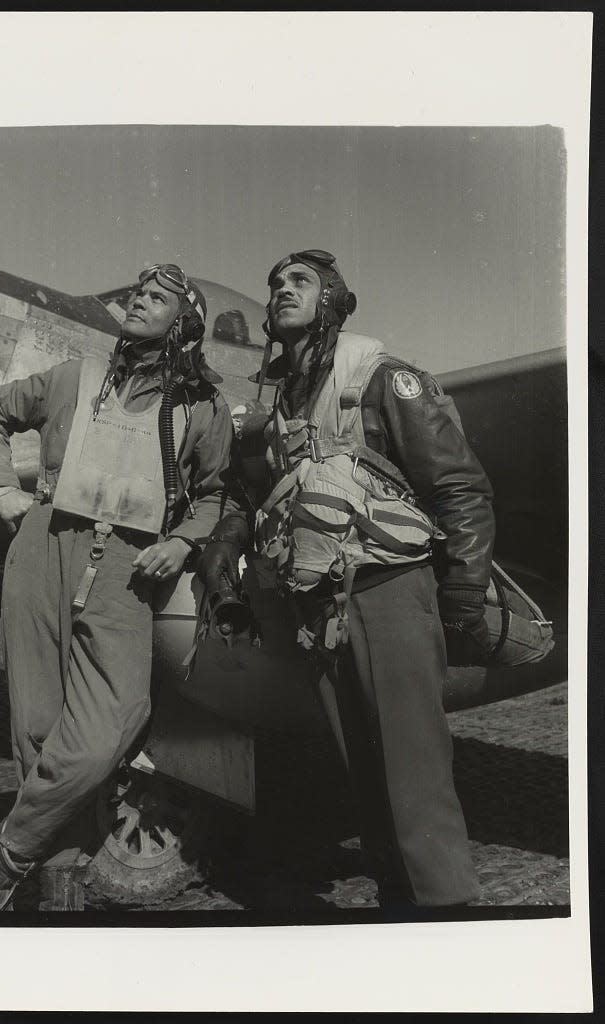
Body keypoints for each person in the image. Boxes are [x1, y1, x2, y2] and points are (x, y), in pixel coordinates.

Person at [199, 249, 495, 908]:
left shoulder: (384, 379)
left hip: (389, 588)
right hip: (318, 606)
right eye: (274, 283)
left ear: (331, 300)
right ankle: (399, 907)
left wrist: (464, 595)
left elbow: (458, 486)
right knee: (363, 777)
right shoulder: (278, 405)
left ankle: (449, 918)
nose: (280, 290)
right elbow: (256, 499)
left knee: (413, 778)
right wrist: (224, 544)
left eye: (299, 282)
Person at [0, 264, 235, 910]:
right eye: (139, 293)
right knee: (36, 727)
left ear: (183, 323)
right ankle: (60, 884)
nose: (139, 301)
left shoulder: (202, 406)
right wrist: (2, 488)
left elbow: (215, 493)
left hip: (129, 568)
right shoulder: (73, 378)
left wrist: (182, 541)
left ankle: (3, 856)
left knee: (112, 722)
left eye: (157, 297)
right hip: (43, 548)